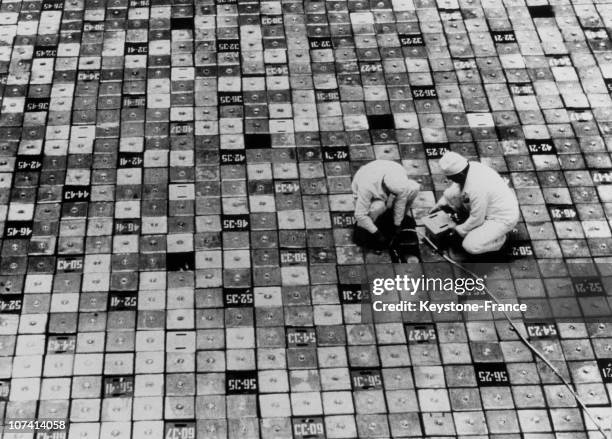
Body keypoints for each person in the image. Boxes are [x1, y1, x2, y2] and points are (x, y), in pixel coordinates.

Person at [430, 151, 520, 255]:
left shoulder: (476, 188)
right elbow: (455, 188)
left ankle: (500, 240)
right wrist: (441, 204)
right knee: (451, 194)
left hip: (501, 218)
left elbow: (477, 218)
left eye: (451, 177)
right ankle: (483, 233)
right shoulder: (470, 166)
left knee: (470, 246)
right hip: (487, 206)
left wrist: (457, 229)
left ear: (460, 173)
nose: (448, 179)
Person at [352, 160, 420, 249]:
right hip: (367, 192)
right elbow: (359, 215)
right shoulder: (366, 186)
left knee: (414, 188)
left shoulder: (399, 175)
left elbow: (401, 200)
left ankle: (393, 219)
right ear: (384, 185)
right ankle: (364, 230)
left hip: (387, 190)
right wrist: (377, 234)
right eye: (391, 192)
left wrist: (397, 224)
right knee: (378, 207)